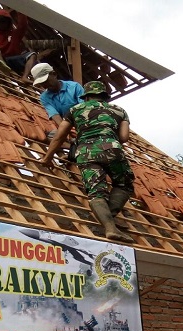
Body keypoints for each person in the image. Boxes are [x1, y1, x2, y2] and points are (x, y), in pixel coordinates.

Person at [42, 81, 135, 243]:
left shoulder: (75, 110)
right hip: (112, 149)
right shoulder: (120, 111)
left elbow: (60, 135)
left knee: (96, 192)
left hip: (85, 152)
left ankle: (109, 227)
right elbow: (124, 138)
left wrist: (48, 157)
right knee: (124, 184)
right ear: (104, 96)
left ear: (86, 96)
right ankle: (109, 217)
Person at [0, 10, 36, 81]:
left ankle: (24, 77)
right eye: (0, 22)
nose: (2, 24)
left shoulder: (15, 34)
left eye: (4, 21)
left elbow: (23, 25)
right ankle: (3, 66)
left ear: (8, 22)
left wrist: (20, 9)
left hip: (13, 60)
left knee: (32, 55)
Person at [32, 63, 84, 130]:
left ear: (54, 74)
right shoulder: (44, 98)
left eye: (46, 81)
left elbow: (85, 108)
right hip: (67, 126)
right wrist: (66, 130)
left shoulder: (74, 87)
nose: (44, 85)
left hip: (83, 122)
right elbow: (56, 116)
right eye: (41, 83)